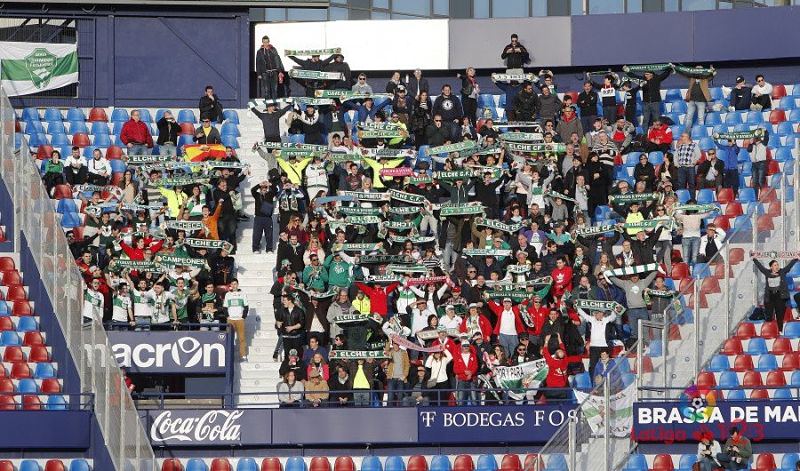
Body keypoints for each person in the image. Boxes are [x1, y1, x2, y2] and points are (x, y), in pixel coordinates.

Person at [753, 256, 799, 333]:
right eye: (775, 265)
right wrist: (754, 259)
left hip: (780, 296)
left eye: (777, 265)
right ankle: (769, 330)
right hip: (770, 296)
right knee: (769, 315)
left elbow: (789, 266)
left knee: (779, 315)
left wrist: (795, 259)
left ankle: (780, 331)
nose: (777, 266)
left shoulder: (782, 272)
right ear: (771, 267)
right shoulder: (767, 272)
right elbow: (760, 267)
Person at [625, 65, 671, 131]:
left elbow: (665, 74)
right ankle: (645, 135)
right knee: (645, 120)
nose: (646, 75)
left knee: (656, 120)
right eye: (645, 74)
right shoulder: (643, 80)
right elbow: (634, 76)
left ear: (651, 74)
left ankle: (657, 133)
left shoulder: (657, 79)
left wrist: (669, 68)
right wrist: (627, 71)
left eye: (647, 74)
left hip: (655, 102)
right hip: (646, 103)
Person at [223, 279, 249, 361]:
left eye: (235, 284)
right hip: (230, 320)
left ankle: (243, 355)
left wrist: (243, 316)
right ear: (230, 285)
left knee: (241, 338)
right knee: (230, 338)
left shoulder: (242, 294)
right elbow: (225, 307)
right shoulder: (228, 294)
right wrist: (227, 316)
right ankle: (229, 355)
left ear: (238, 284)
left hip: (239, 319)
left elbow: (246, 306)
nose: (234, 286)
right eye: (232, 284)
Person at [255, 35, 284, 100]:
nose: (266, 44)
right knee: (266, 90)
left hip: (274, 72)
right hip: (265, 73)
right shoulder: (260, 51)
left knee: (275, 89)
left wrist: (279, 71)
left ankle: (274, 106)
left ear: (269, 42)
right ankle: (268, 106)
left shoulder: (273, 49)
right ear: (262, 42)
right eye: (264, 42)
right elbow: (258, 63)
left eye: (267, 42)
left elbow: (277, 60)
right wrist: (259, 74)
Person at [674, 132, 700, 198]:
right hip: (681, 168)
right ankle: (682, 199)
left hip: (690, 167)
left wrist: (694, 162)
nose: (681, 138)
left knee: (692, 184)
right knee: (681, 185)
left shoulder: (694, 145)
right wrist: (676, 164)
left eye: (682, 136)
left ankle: (692, 200)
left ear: (687, 137)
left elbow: (698, 154)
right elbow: (675, 155)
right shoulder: (679, 146)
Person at [748, 131, 769, 196]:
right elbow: (748, 150)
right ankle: (756, 197)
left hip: (761, 163)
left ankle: (763, 195)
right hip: (754, 164)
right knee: (755, 182)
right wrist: (750, 143)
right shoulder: (751, 145)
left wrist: (764, 131)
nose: (755, 139)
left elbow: (766, 137)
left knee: (760, 180)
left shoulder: (763, 143)